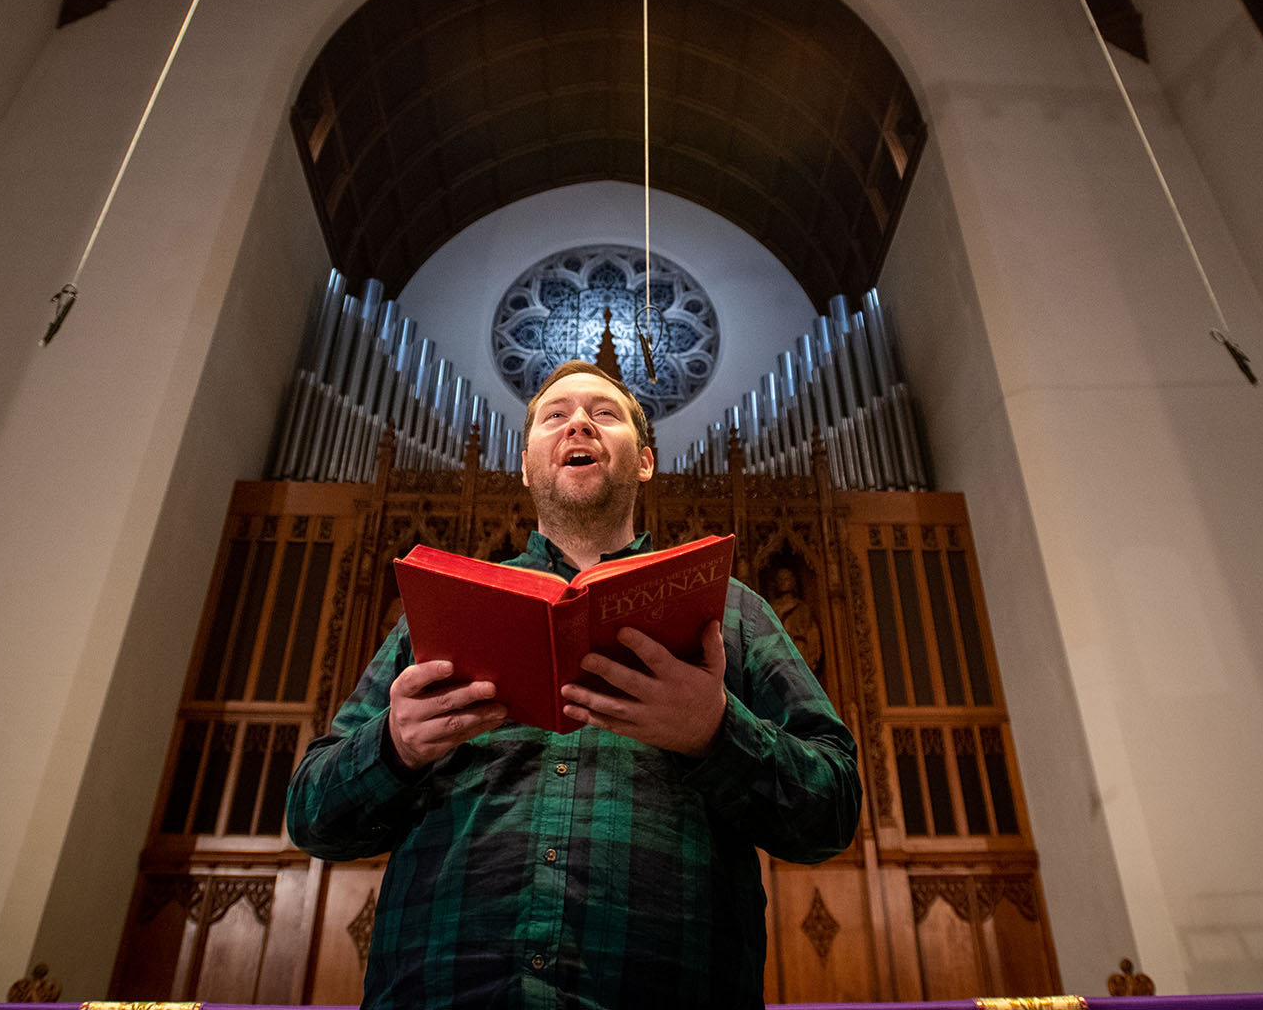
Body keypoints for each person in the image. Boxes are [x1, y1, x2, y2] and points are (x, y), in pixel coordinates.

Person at [287, 359, 861, 1008]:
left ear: (644, 461)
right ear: (527, 465)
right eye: (555, 416)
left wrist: (717, 732)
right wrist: (394, 745)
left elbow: (835, 807)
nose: (579, 422)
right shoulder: (446, 610)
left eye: (605, 412)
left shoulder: (731, 611)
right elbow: (312, 815)